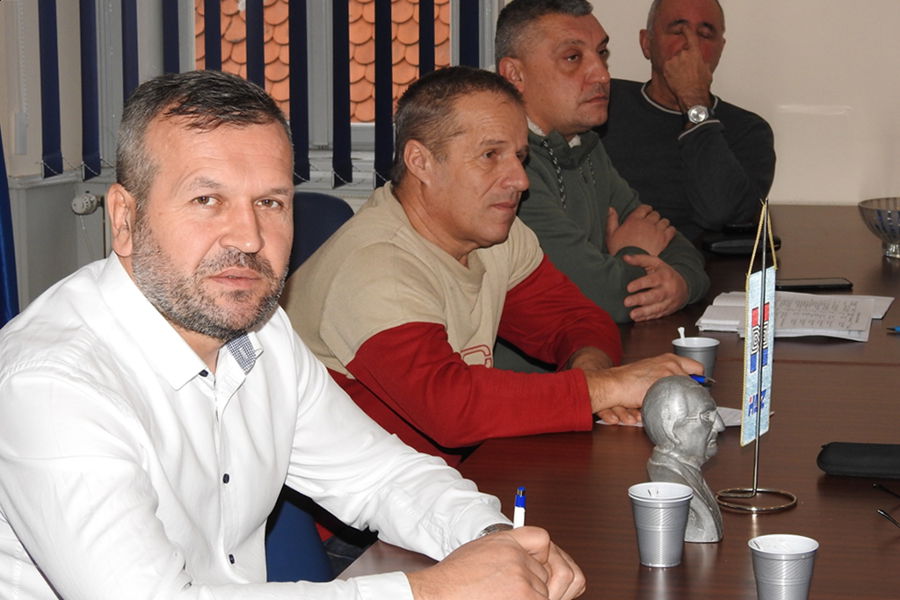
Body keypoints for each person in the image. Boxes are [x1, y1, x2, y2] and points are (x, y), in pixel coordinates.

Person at [0, 70, 586, 600]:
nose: (249, 237)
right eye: (207, 199)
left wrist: (492, 539)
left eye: (270, 202)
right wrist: (430, 591)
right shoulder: (51, 387)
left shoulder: (258, 330)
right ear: (124, 220)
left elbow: (379, 475)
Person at [282, 66, 701, 468]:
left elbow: (576, 321)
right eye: (490, 155)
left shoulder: (495, 235)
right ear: (420, 162)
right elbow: (450, 408)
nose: (520, 180)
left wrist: (592, 374)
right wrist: (604, 388)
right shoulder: (374, 264)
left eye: (519, 156)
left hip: (440, 480)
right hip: (351, 510)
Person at [494, 0, 709, 328]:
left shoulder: (586, 145)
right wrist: (634, 249)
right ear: (515, 75)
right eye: (573, 57)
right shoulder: (505, 169)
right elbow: (603, 300)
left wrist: (681, 284)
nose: (603, 75)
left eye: (602, 53)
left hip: (594, 352)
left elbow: (675, 243)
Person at [599, 0, 776, 242]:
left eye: (705, 35)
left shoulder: (749, 131)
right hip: (602, 255)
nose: (690, 46)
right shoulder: (602, 102)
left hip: (699, 261)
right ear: (646, 43)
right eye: (677, 31)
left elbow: (723, 215)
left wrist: (694, 102)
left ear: (720, 49)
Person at [642, 375, 726, 543]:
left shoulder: (690, 474)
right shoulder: (673, 485)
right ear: (670, 429)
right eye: (706, 416)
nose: (720, 425)